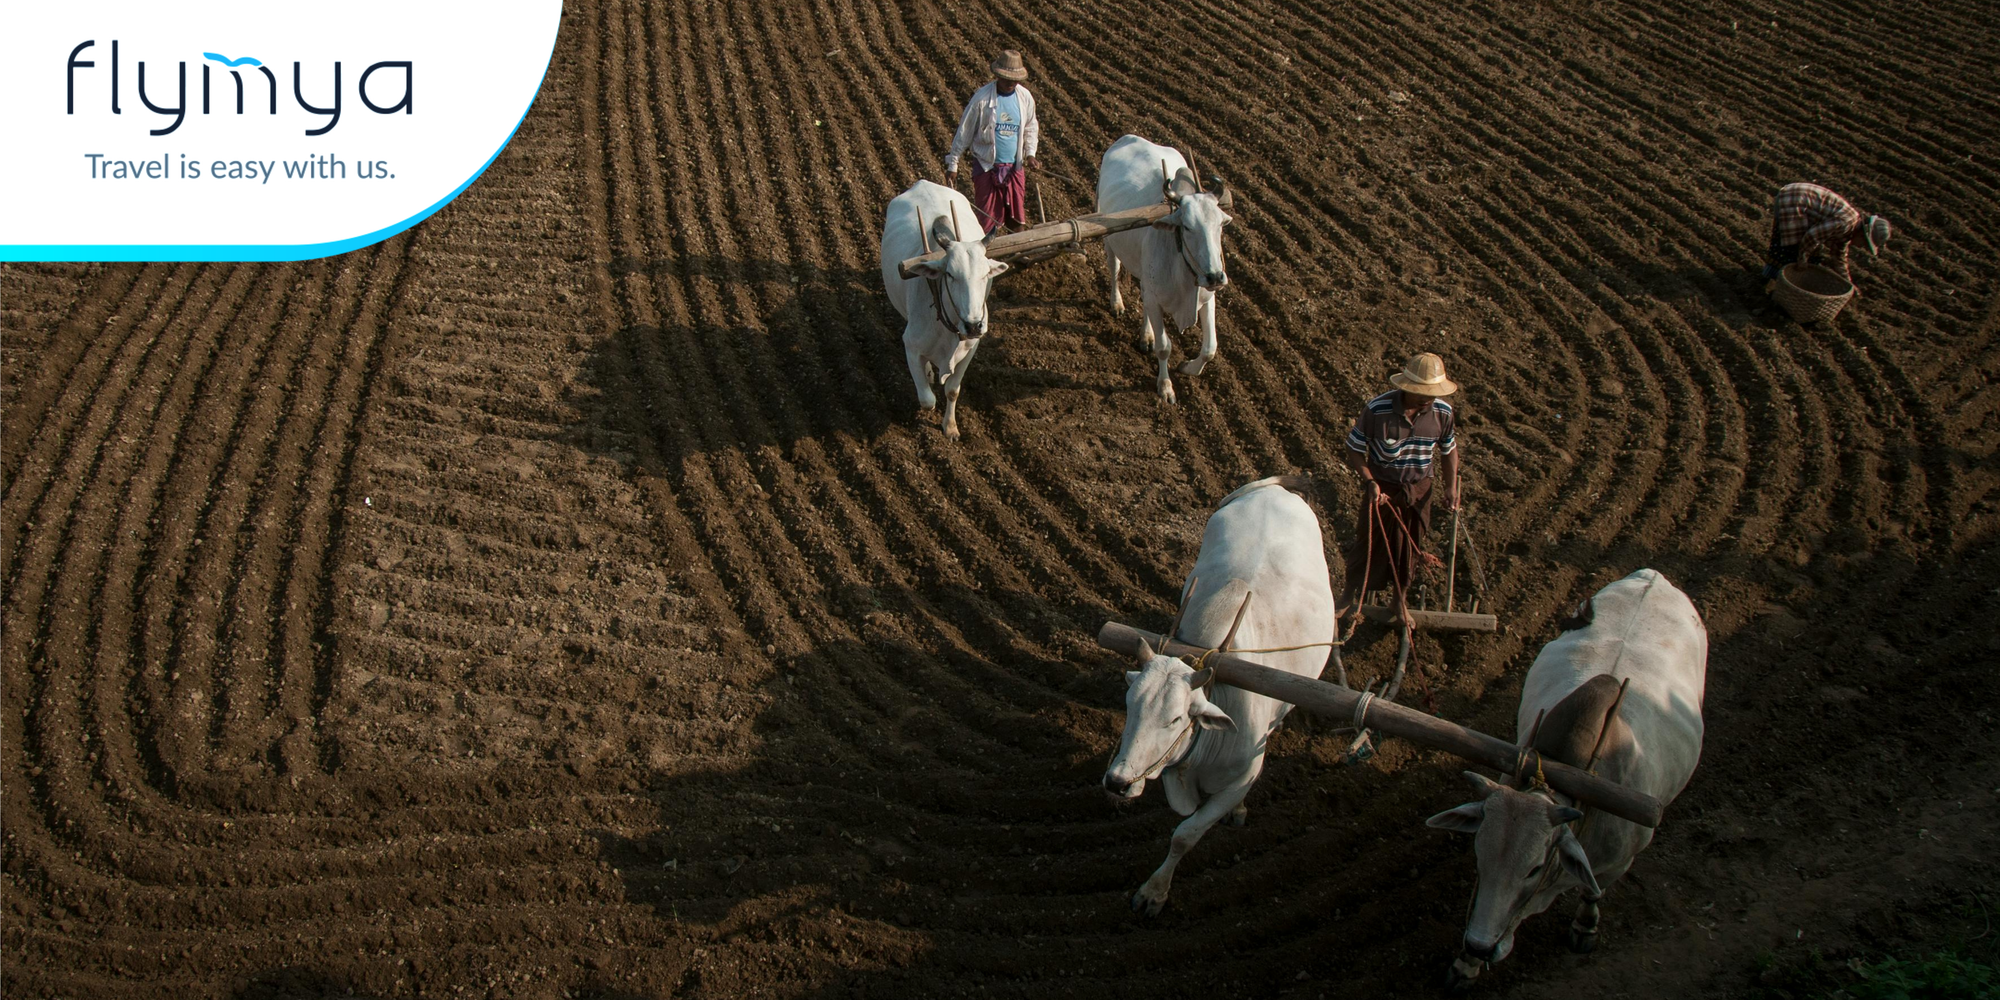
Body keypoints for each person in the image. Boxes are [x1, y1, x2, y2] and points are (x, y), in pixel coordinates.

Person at [1340, 353, 1461, 631]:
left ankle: (1398, 600)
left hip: (1419, 488)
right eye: (1421, 393)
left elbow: (1449, 449)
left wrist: (1451, 486)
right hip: (1383, 485)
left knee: (1410, 545)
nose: (1427, 399)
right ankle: (1347, 596)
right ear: (1406, 387)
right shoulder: (1377, 410)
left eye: (1431, 393)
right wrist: (1370, 482)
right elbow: (1354, 448)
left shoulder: (1442, 413)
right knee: (1369, 541)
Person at [945, 50, 1041, 237]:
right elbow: (965, 131)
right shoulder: (982, 99)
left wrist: (1030, 154)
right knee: (987, 220)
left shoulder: (1025, 97)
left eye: (1014, 80)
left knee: (1016, 218)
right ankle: (988, 251)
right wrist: (953, 163)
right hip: (986, 166)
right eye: (1006, 79)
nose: (1010, 83)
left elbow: (1031, 127)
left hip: (1014, 167)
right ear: (998, 76)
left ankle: (1018, 249)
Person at [1764, 182, 1891, 288]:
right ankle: (1771, 280)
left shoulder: (1849, 231)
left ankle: (1785, 282)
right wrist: (1802, 259)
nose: (1861, 246)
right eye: (1864, 244)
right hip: (1793, 200)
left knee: (1812, 255)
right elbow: (1812, 236)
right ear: (1862, 235)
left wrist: (1849, 284)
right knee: (1790, 247)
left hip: (1799, 202)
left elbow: (1839, 257)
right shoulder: (1845, 223)